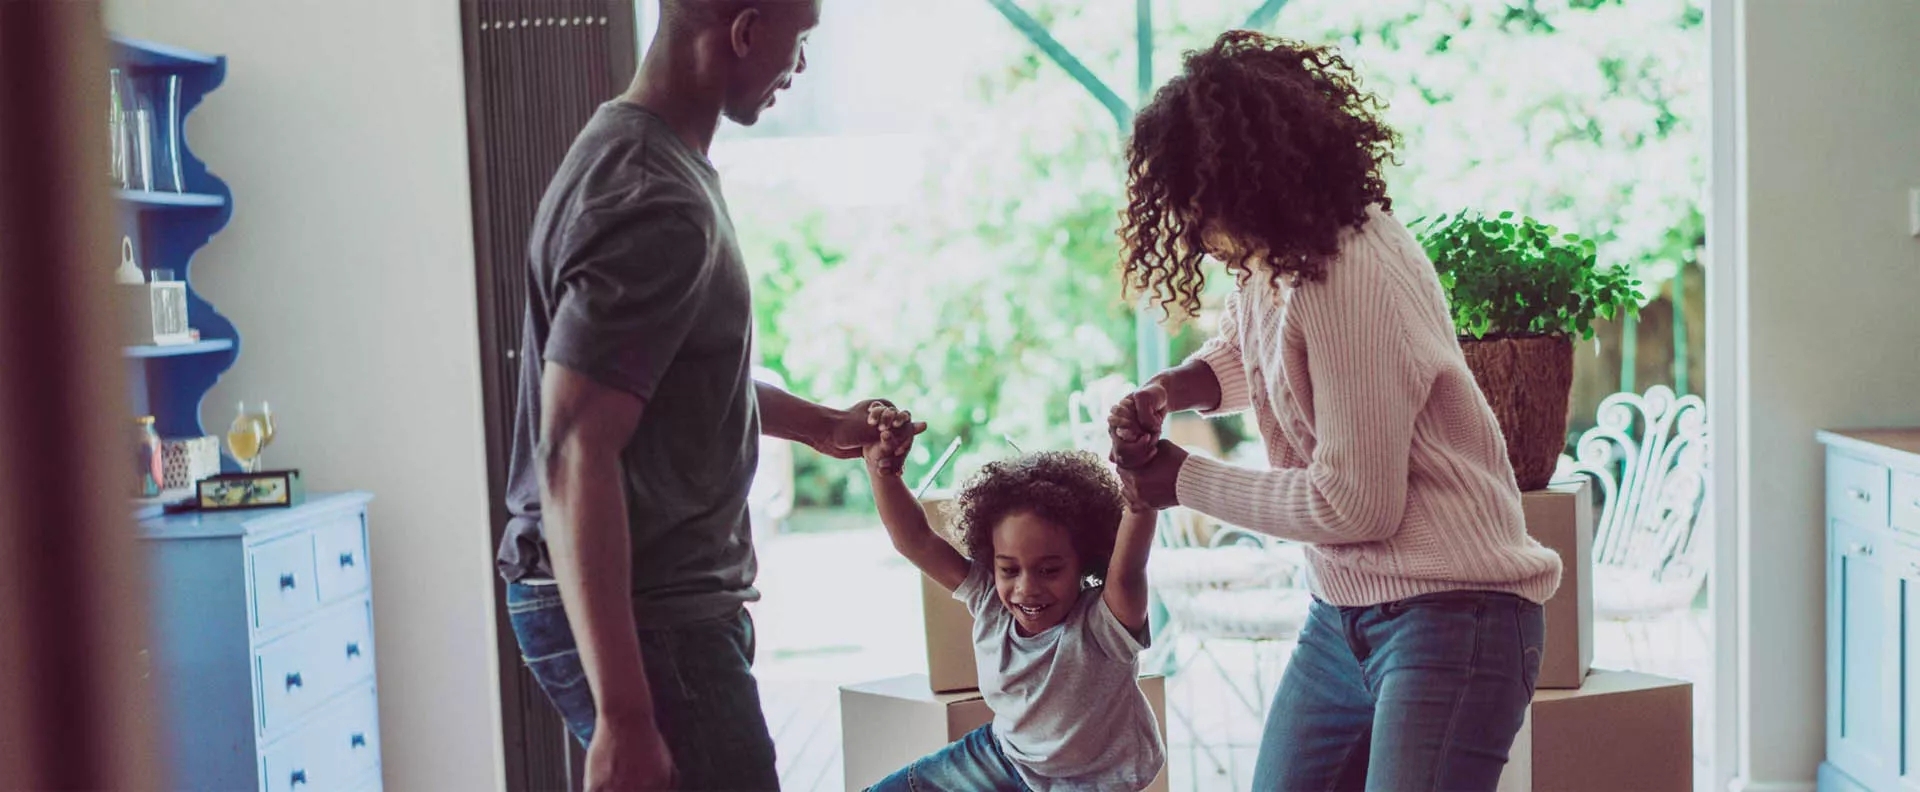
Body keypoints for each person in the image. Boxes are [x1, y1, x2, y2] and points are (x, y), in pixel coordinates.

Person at [1106, 30, 1563, 791]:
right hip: (1343, 617)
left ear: (1250, 184)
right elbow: (1263, 350)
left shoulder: (1345, 269)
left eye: (1200, 206)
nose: (1195, 233)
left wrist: (1182, 479)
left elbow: (1355, 504)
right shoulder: (1276, 256)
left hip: (1455, 615)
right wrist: (1175, 388)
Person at [491, 2, 893, 790]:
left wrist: (823, 427)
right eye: (799, 41)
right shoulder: (653, 197)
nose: (800, 68)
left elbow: (659, 377)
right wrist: (624, 716)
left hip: (661, 611)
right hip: (652, 618)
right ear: (744, 33)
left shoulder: (646, 157)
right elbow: (574, 448)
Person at [859, 405, 1165, 792]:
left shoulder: (1107, 623)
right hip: (1004, 757)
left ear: (1084, 561)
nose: (1026, 588)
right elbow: (916, 541)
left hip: (1094, 778)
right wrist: (884, 472)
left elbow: (1131, 563)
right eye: (1009, 569)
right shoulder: (988, 598)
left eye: (1049, 570)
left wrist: (1140, 479)